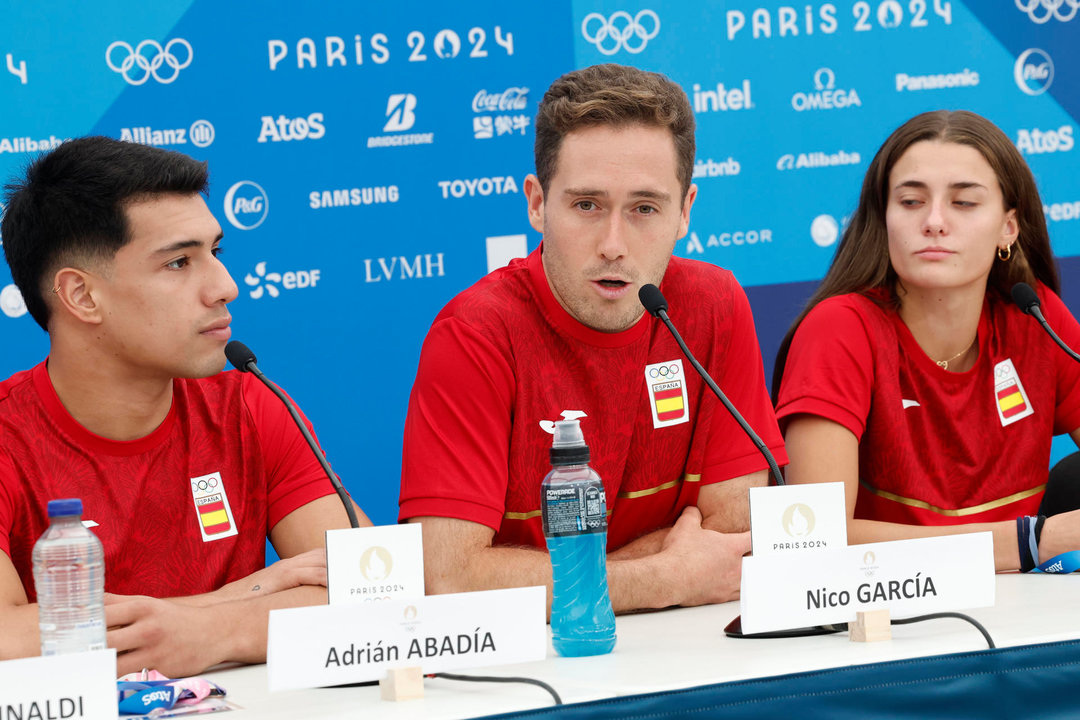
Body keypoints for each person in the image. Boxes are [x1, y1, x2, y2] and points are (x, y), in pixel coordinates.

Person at [398, 64, 786, 611]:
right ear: (536, 203)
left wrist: (551, 578)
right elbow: (449, 576)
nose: (613, 244)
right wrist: (664, 577)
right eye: (587, 205)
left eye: (644, 209)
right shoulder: (474, 332)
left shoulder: (714, 305)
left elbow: (732, 537)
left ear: (685, 212)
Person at [0, 136, 371, 675]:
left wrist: (212, 630)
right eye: (178, 262)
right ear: (81, 296)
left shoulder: (248, 403)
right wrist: (237, 598)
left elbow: (375, 585)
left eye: (215, 253)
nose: (227, 286)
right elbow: (7, 639)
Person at [773, 110, 1080, 573]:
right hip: (884, 617)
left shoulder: (1035, 316)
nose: (934, 222)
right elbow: (812, 539)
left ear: (1008, 228)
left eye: (964, 203)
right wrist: (1030, 542)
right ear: (884, 218)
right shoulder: (839, 329)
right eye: (912, 202)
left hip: (1024, 608)